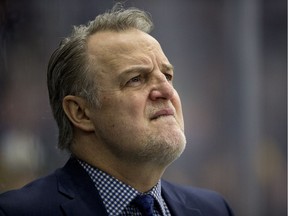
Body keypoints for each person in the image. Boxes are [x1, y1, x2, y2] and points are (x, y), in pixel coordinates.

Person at [0, 4, 234, 216]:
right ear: (80, 112)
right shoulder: (18, 212)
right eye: (135, 79)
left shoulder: (213, 209)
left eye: (168, 75)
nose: (166, 90)